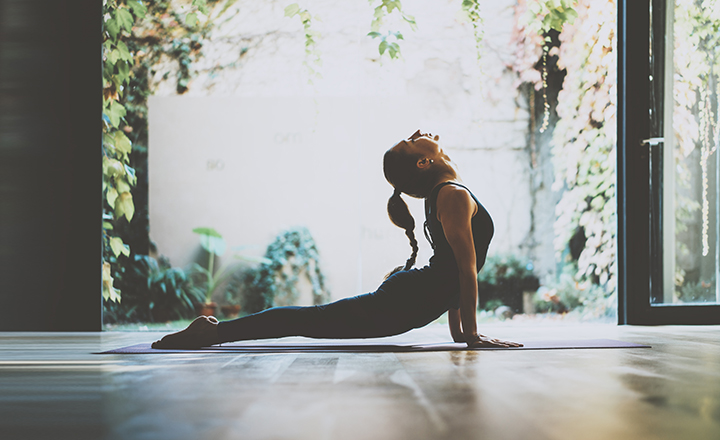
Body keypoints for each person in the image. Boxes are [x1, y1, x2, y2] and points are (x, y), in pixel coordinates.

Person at [152, 130, 522, 349]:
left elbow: (453, 270)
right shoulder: (451, 194)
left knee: (312, 320)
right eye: (413, 140)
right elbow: (463, 268)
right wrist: (470, 334)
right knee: (309, 320)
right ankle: (213, 331)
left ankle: (215, 332)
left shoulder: (444, 193)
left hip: (412, 299)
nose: (425, 134)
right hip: (406, 301)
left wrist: (460, 332)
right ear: (423, 162)